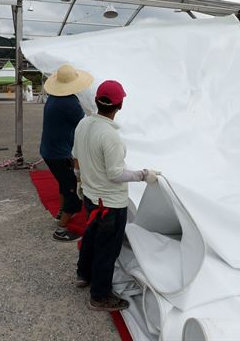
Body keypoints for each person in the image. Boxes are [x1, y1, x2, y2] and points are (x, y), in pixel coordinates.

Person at [72, 80, 160, 312]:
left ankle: (83, 274)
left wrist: (81, 178)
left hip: (91, 197)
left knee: (91, 237)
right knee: (107, 250)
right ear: (119, 105)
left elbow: (76, 157)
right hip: (109, 204)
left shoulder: (83, 124)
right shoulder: (109, 136)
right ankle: (99, 296)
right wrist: (144, 175)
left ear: (96, 100)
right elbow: (115, 174)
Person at [40, 64, 94, 241]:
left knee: (64, 184)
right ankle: (61, 230)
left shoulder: (53, 98)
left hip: (49, 150)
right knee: (72, 190)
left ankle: (60, 214)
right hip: (59, 154)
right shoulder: (69, 102)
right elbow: (84, 123)